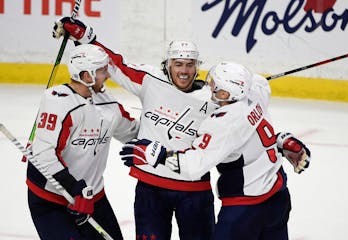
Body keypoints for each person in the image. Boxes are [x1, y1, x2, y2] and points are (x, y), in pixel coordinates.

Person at [52, 17, 218, 240]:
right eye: (178, 64)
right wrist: (86, 39)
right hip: (151, 189)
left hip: (195, 192)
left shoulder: (213, 98)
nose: (184, 71)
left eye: (190, 65)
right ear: (168, 64)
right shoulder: (151, 81)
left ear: (197, 67)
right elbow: (116, 65)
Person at [120, 61, 311, 240]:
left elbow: (194, 166)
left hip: (245, 206)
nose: (209, 86)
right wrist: (280, 140)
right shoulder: (257, 93)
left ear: (225, 94)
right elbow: (259, 82)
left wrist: (156, 154)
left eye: (214, 85)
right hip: (278, 198)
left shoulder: (223, 124)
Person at [26, 44, 139, 240]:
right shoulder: (57, 101)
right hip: (51, 199)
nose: (108, 76)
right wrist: (74, 188)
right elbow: (43, 154)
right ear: (87, 76)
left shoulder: (108, 103)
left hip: (92, 197)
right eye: (103, 71)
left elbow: (133, 132)